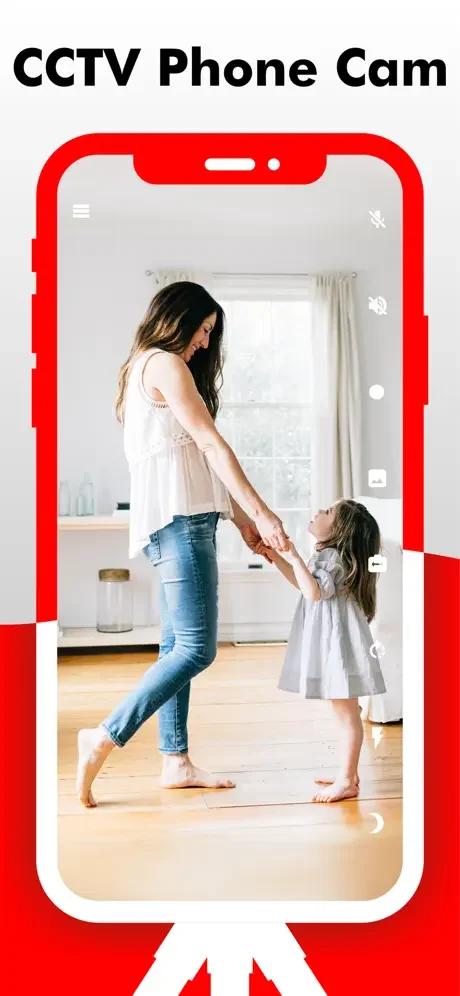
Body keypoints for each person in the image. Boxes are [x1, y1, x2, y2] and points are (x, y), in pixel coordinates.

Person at [77, 281, 289, 807]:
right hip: (183, 525)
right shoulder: (165, 364)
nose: (202, 342)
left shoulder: (137, 370)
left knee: (176, 647)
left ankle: (175, 761)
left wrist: (241, 522)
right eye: (203, 329)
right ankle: (104, 735)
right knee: (197, 649)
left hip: (168, 525)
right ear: (180, 317)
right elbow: (213, 446)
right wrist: (262, 512)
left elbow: (193, 462)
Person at [256, 499, 386, 803]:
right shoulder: (327, 555)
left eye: (327, 512)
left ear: (340, 530)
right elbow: (304, 585)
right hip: (333, 643)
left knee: (346, 714)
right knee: (341, 712)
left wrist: (293, 554)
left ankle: (346, 780)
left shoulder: (335, 558)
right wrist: (275, 555)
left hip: (340, 647)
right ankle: (348, 773)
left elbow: (315, 592)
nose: (318, 512)